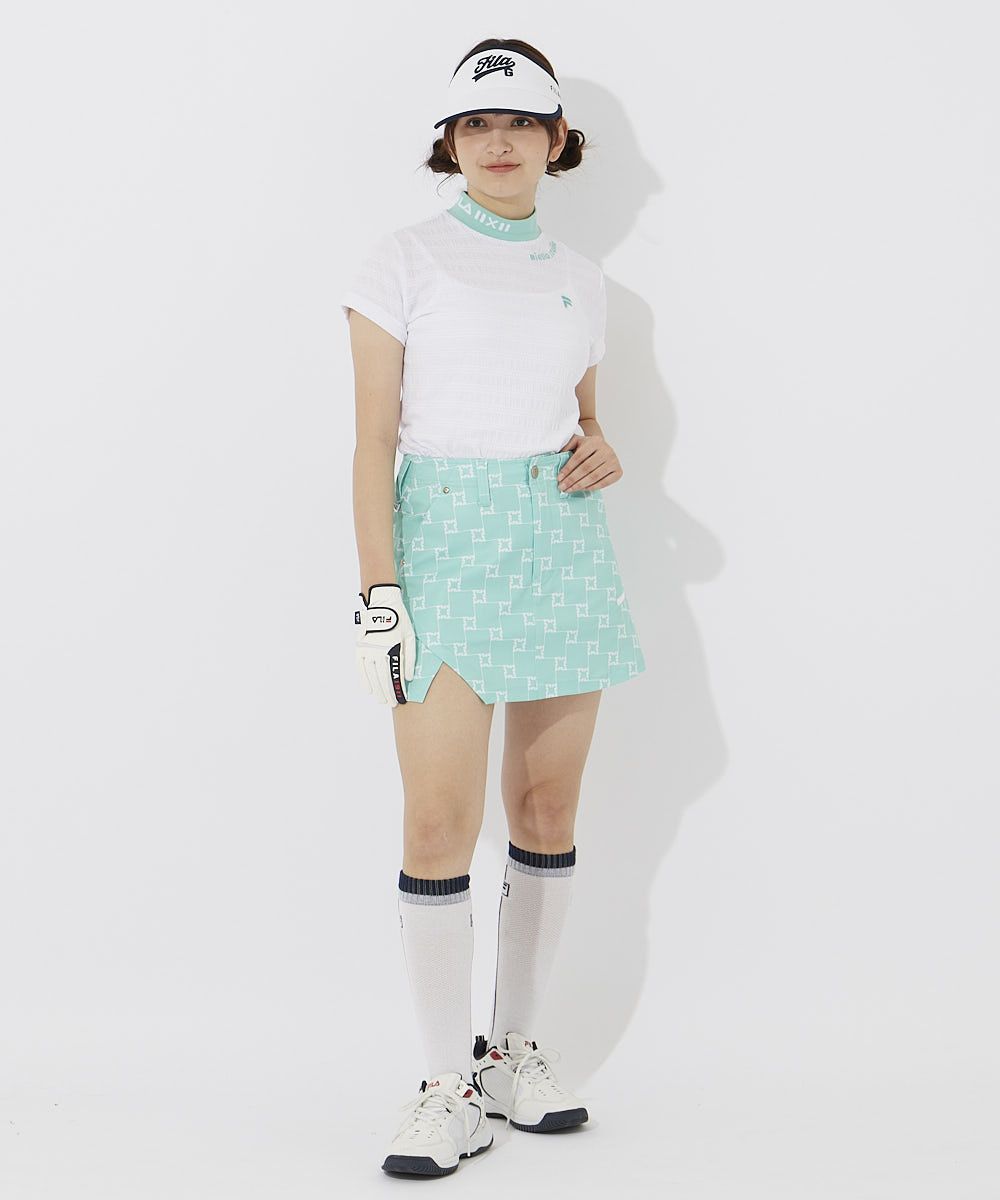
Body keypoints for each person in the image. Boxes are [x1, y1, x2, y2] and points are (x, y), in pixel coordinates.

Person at [343, 38, 646, 1178]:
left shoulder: (584, 277)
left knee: (545, 806)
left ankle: (513, 1051)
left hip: (559, 543)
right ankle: (444, 1085)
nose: (500, 142)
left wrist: (601, 446)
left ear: (557, 139)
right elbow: (373, 440)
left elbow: (581, 417)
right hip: (443, 544)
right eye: (477, 124)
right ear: (451, 141)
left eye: (522, 122)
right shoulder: (403, 259)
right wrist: (380, 591)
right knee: (436, 821)